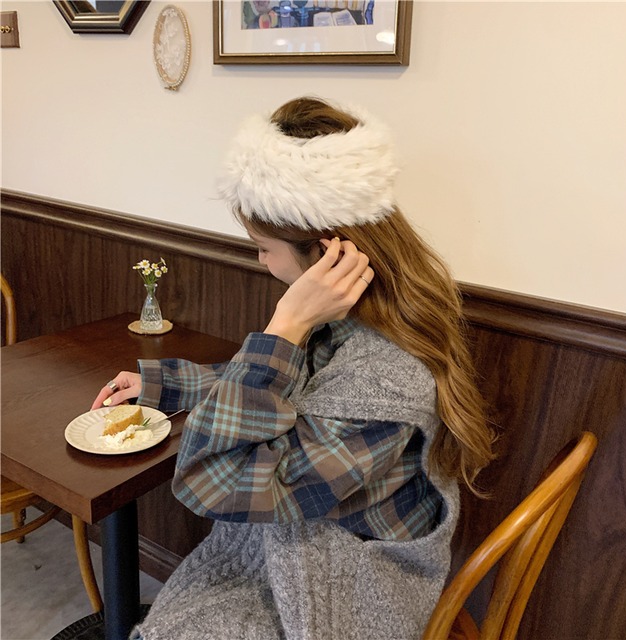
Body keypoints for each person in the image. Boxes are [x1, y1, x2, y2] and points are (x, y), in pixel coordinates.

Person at [92, 96, 495, 640]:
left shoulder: (386, 376)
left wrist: (286, 322)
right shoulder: (363, 319)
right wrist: (164, 385)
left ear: (327, 254)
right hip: (317, 541)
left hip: (350, 589)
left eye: (262, 247)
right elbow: (291, 389)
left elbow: (213, 484)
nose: (260, 260)